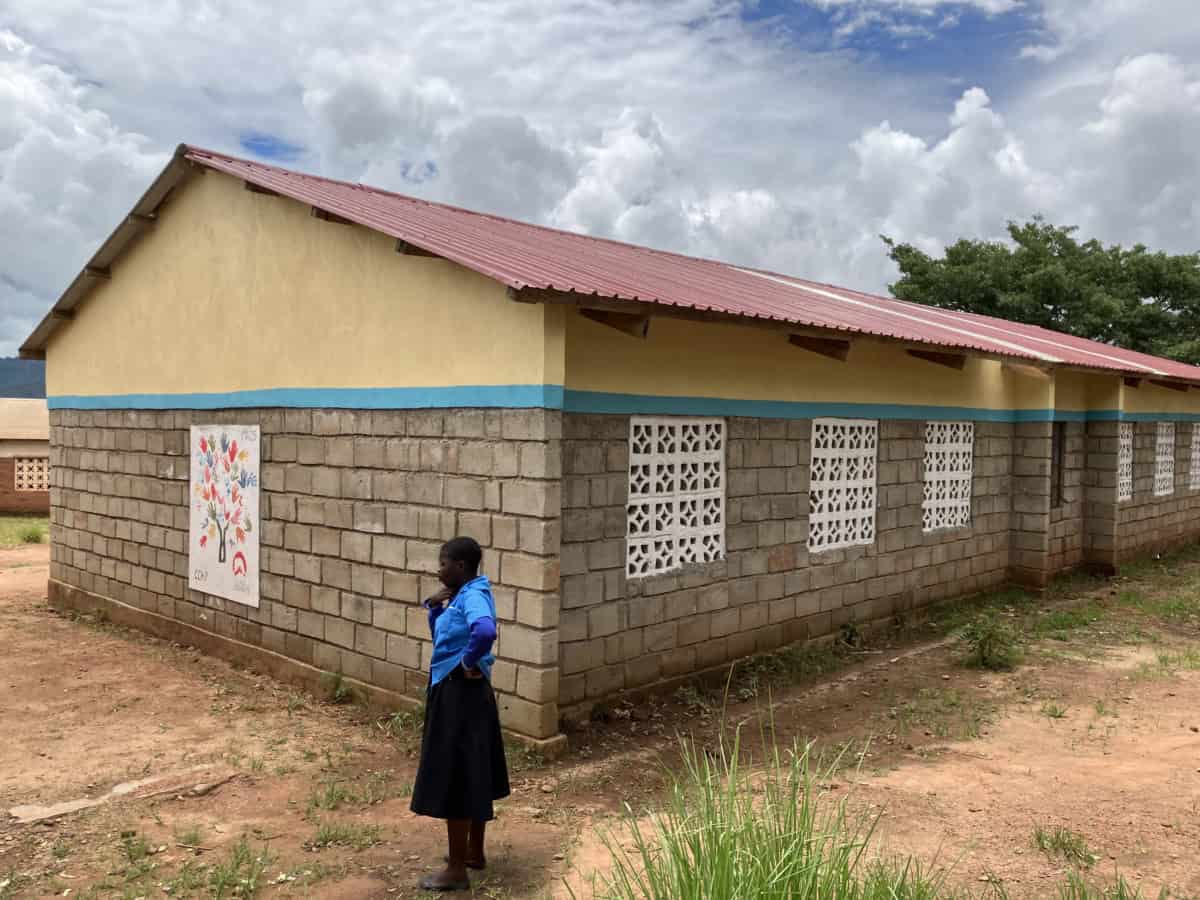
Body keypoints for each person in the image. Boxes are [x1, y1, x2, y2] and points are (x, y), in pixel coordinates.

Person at [410, 536, 510, 892]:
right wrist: (435, 608)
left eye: (443, 563)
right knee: (473, 770)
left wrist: (468, 661)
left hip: (460, 697)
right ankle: (473, 852)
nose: (439, 570)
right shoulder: (462, 595)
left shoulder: (473, 596)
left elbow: (484, 631)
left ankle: (455, 869)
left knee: (456, 775)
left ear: (461, 566)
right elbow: (444, 640)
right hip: (464, 695)